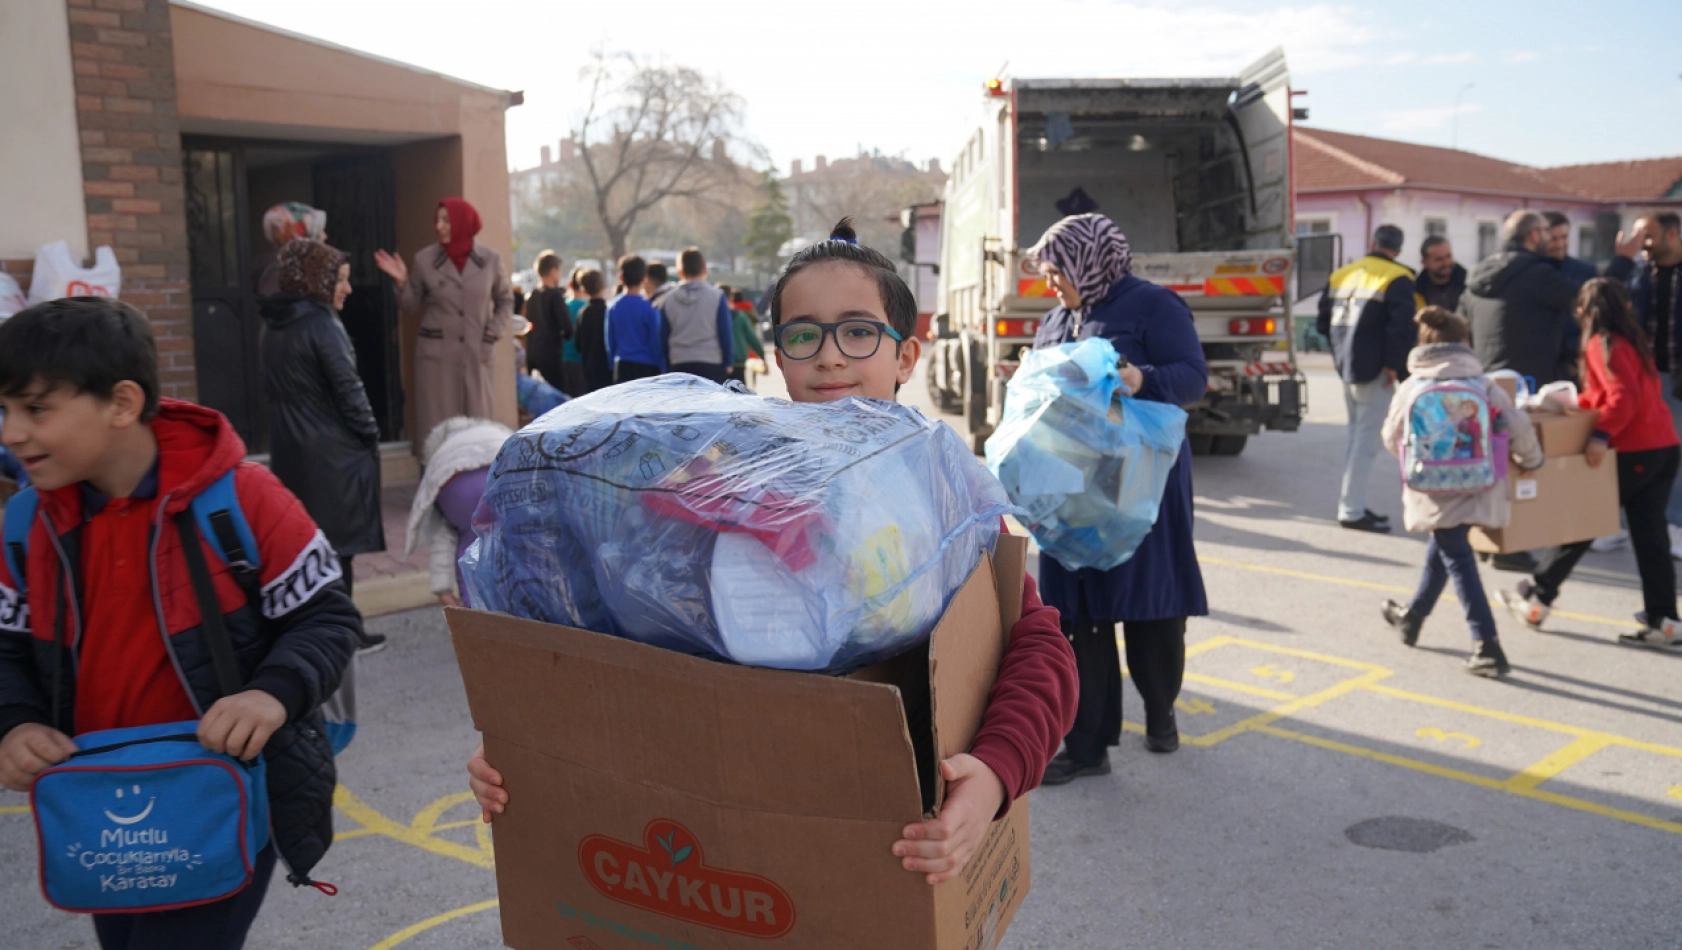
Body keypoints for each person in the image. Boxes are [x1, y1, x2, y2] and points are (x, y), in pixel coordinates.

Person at [467, 218, 1077, 886]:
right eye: (803, 333)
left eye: (859, 330)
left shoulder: (944, 488)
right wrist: (517, 739)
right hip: (724, 842)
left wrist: (994, 773)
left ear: (906, 356)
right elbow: (601, 631)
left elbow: (1037, 647)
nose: (830, 355)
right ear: (777, 355)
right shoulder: (721, 469)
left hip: (885, 842)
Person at [0, 298, 361, 948]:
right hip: (98, 802)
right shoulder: (24, 527)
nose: (12, 432)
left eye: (35, 409)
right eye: (5, 411)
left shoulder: (242, 499)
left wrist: (269, 694)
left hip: (216, 797)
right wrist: (15, 722)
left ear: (121, 403)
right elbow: (5, 650)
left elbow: (328, 618)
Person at [1024, 212, 1208, 781]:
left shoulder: (1153, 306)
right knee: (1079, 614)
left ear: (1089, 260)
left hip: (1141, 481)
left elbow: (1192, 377)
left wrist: (1140, 379)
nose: (1051, 285)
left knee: (1151, 607)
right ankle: (1087, 747)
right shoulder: (1056, 320)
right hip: (1073, 486)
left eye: (1058, 272)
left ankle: (1160, 710)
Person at [1494, 280, 1682, 650]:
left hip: (1634, 450)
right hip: (1663, 447)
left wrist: (1600, 435)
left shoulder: (1602, 344)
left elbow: (1621, 399)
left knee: (1581, 521)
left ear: (1586, 311)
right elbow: (1624, 392)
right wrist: (1578, 400)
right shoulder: (1632, 342)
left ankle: (1538, 596)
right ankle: (1665, 620)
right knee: (1650, 537)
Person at [1377, 307, 1543, 677]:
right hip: (1478, 481)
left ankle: (1487, 646)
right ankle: (1413, 618)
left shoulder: (1412, 387)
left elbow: (1391, 438)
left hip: (1432, 486)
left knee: (1455, 555)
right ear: (1464, 343)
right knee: (1449, 546)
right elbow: (1518, 427)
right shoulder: (1484, 385)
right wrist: (1532, 459)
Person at [259, 239, 386, 633]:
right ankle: (345, 632)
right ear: (318, 280)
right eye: (341, 280)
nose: (347, 289)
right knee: (340, 551)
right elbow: (349, 390)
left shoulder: (273, 324)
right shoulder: (322, 323)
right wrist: (369, 434)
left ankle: (318, 627)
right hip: (332, 454)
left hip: (291, 450)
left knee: (312, 546)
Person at [374, 198, 514, 462]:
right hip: (437, 359)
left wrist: (492, 332)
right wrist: (402, 281)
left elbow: (506, 299)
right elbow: (410, 304)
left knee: (478, 427)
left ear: (463, 222)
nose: (439, 226)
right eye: (437, 220)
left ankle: (474, 487)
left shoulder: (490, 259)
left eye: (446, 220)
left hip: (477, 353)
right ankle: (434, 486)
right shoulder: (424, 259)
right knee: (437, 429)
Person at [1317, 224, 1417, 534]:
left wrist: (1342, 354)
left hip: (1348, 367)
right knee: (1365, 443)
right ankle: (1351, 509)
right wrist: (1393, 365)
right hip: (1376, 372)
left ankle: (1351, 503)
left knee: (1355, 439)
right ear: (1398, 249)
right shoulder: (1399, 277)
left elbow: (1323, 323)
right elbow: (1402, 327)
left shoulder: (1342, 274)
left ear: (1372, 243)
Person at [1605, 212, 1682, 554]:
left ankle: (1675, 523)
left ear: (1672, 235)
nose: (1642, 245)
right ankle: (1614, 522)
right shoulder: (1637, 273)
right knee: (1631, 449)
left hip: (1676, 377)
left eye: (1647, 236)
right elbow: (1602, 297)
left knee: (1675, 453)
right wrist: (1623, 258)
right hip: (1642, 379)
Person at [1458, 209, 1579, 388]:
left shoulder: (1477, 278)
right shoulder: (1540, 276)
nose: (1551, 238)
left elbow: (1460, 328)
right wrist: (1622, 262)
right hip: (1533, 388)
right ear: (1533, 235)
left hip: (1488, 385)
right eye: (1547, 231)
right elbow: (1592, 300)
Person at [406, 417, 511, 609]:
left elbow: (442, 535)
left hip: (454, 484)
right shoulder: (493, 431)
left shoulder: (441, 453)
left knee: (469, 545)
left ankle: (473, 613)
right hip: (505, 471)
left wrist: (442, 589)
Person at [658, 247, 733, 383]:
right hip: (710, 362)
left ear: (680, 272)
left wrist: (666, 364)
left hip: (679, 363)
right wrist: (728, 361)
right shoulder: (716, 296)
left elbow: (663, 336)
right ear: (704, 269)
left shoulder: (668, 300)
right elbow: (725, 332)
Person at [605, 255, 666, 384]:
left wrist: (612, 364)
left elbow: (610, 341)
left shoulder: (613, 306)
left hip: (622, 364)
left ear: (621, 278)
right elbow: (655, 340)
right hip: (647, 366)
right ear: (644, 278)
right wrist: (661, 365)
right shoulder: (649, 307)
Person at [251, 202, 326, 298]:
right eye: (318, 230)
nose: (324, 236)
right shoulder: (277, 270)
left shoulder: (298, 265)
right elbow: (278, 306)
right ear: (302, 234)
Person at [523, 250, 572, 389]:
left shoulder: (532, 296)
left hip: (533, 354)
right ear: (552, 271)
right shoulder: (555, 296)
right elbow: (567, 327)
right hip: (551, 355)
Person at [573, 269, 612, 392]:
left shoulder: (582, 313)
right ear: (603, 286)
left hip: (589, 369)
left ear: (583, 290)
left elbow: (578, 344)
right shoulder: (609, 312)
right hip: (607, 369)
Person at [1542, 211, 1600, 289]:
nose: (1560, 244)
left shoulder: (1586, 271)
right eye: (1553, 239)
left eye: (1564, 237)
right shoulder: (1532, 271)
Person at [1415, 235, 1467, 312]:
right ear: (1424, 263)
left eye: (1448, 256)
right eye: (1439, 259)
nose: (1446, 263)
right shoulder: (1415, 292)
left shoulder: (1469, 285)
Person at [727, 288, 766, 384]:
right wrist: (762, 356)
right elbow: (752, 337)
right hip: (745, 354)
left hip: (725, 359)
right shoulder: (747, 312)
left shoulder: (723, 314)